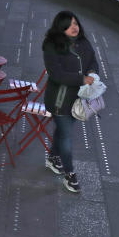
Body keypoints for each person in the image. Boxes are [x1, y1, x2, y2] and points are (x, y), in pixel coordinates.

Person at [42, 11, 99, 194]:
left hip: (79, 99)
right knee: (66, 136)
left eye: (75, 23)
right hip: (60, 100)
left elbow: (93, 62)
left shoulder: (83, 42)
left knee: (62, 130)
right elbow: (57, 74)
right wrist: (82, 79)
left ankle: (52, 158)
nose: (74, 27)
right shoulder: (51, 46)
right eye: (68, 25)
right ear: (60, 28)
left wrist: (92, 73)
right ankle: (70, 174)